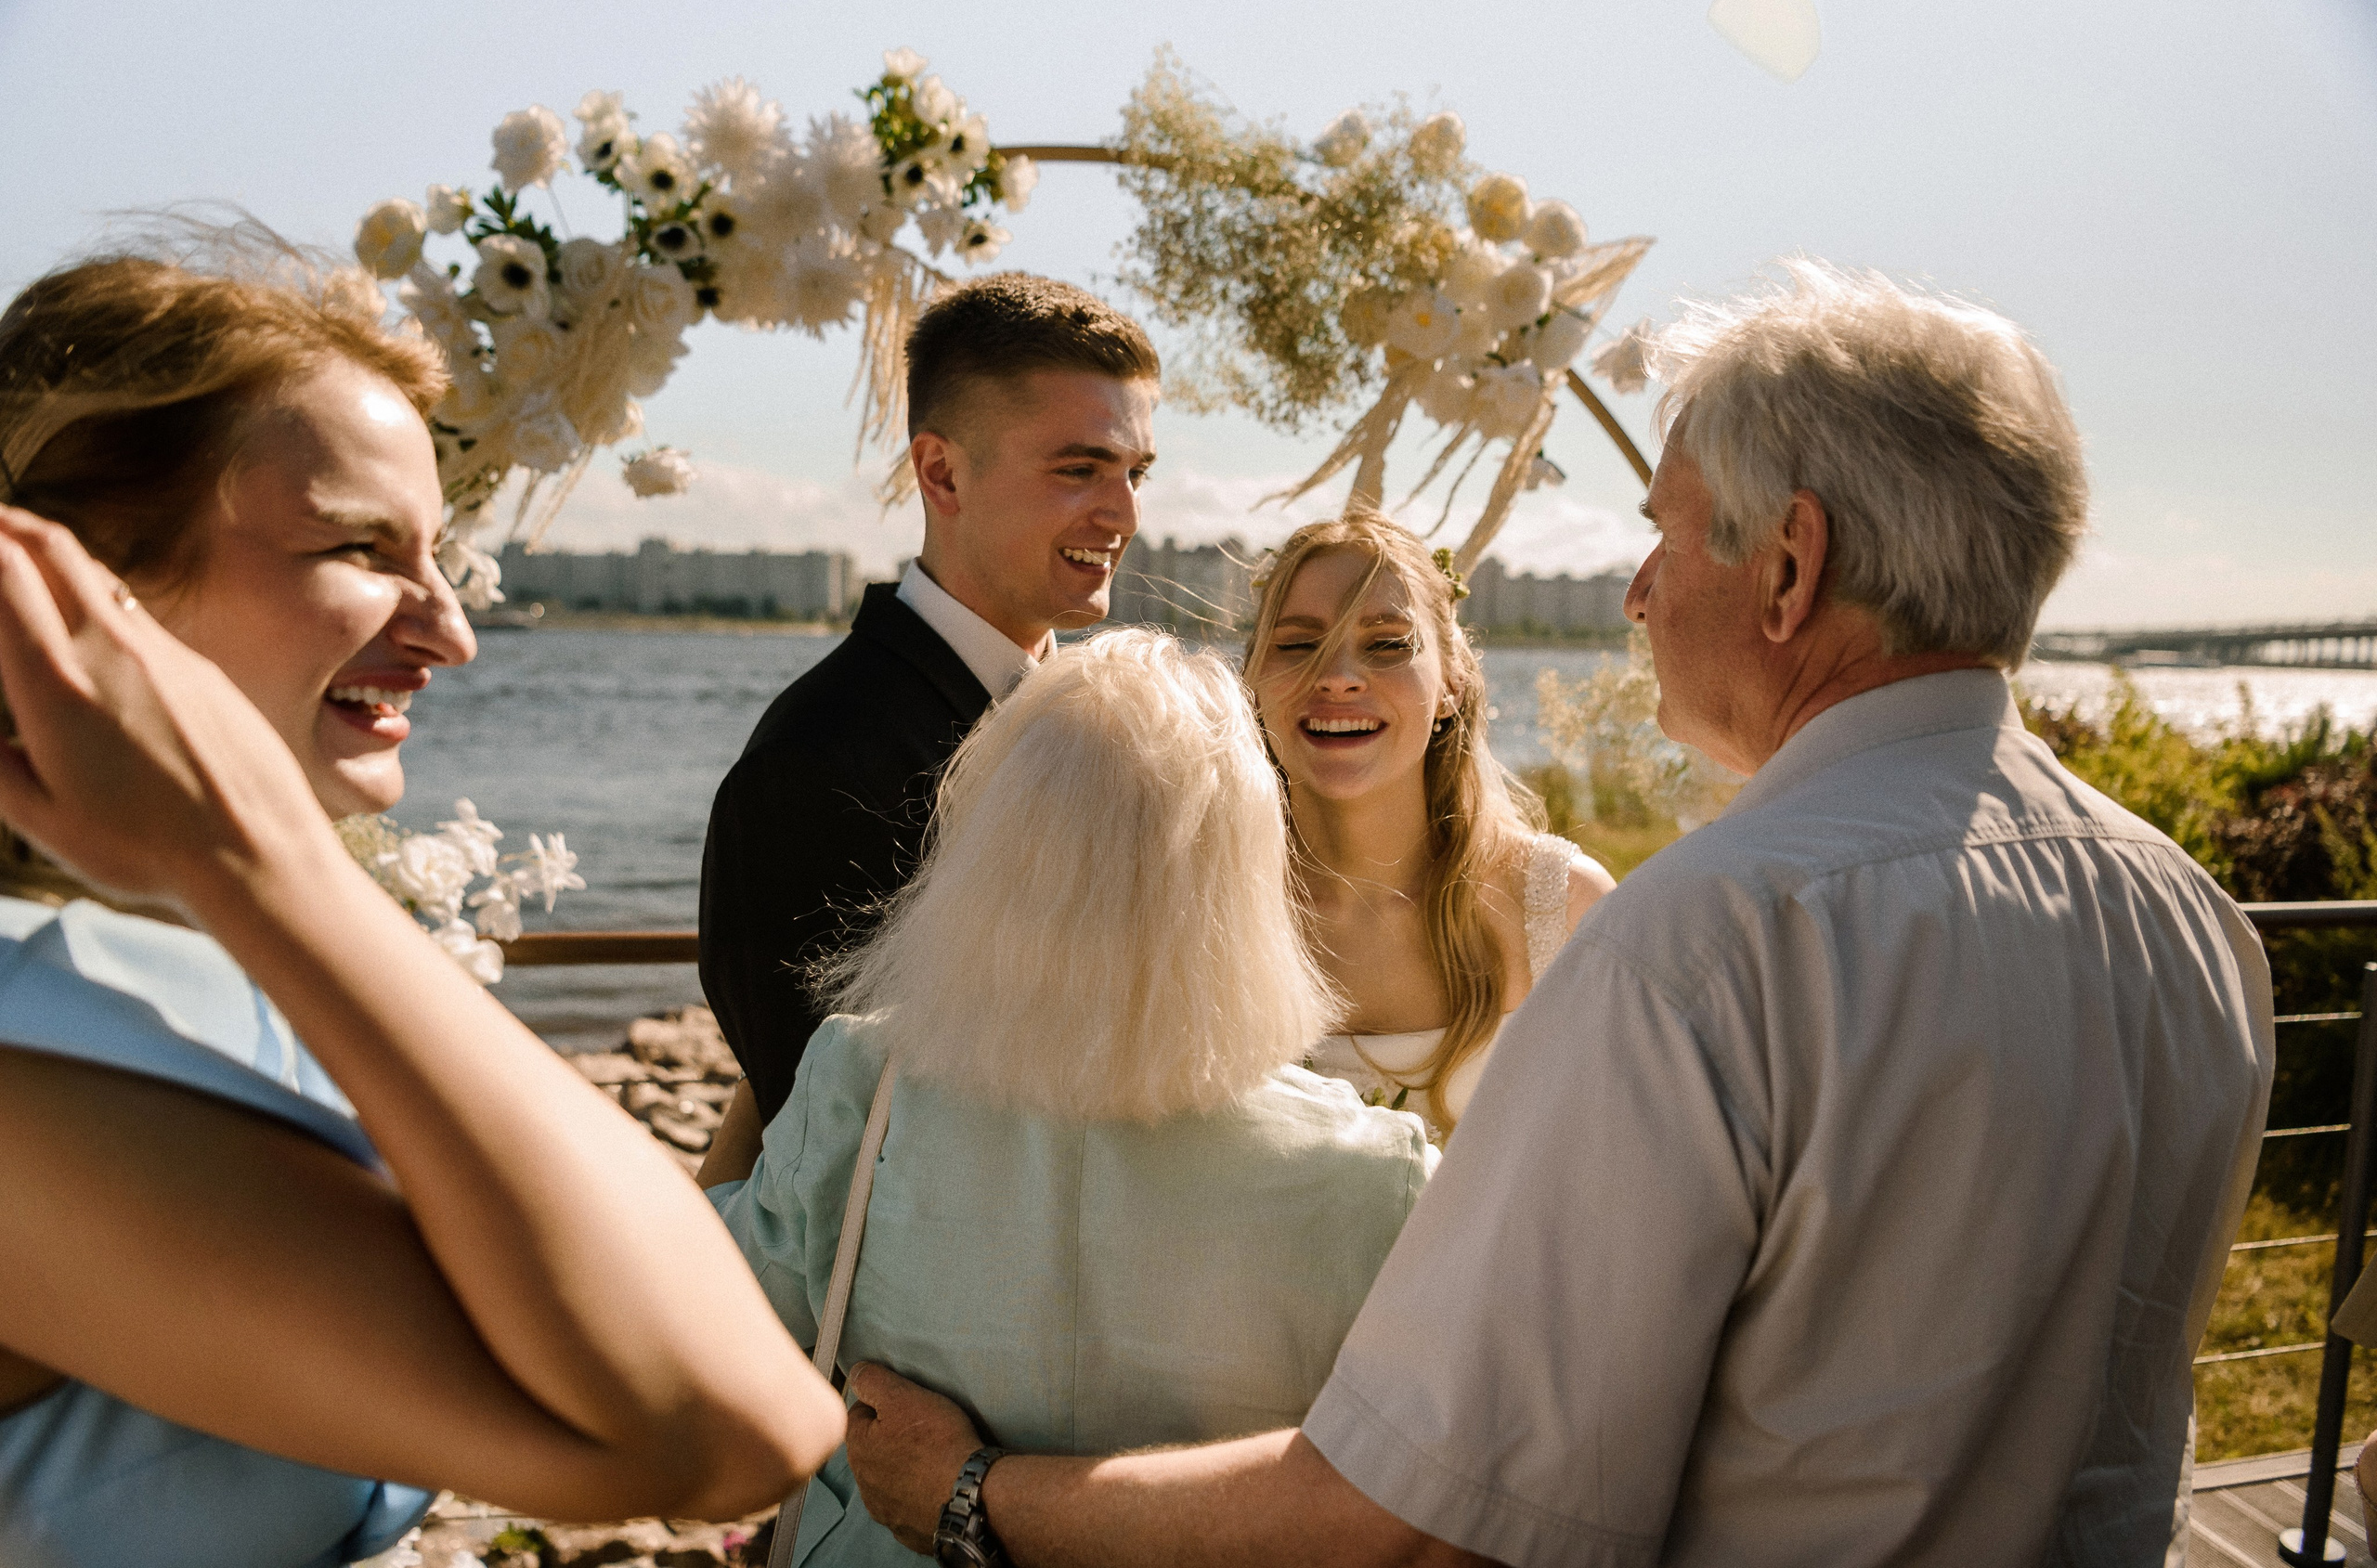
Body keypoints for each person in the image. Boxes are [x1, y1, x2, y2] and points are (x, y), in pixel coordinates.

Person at [837, 258, 2277, 1567]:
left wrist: (972, 1494)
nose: (1639, 592)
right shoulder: (2194, 925)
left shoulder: (1708, 948)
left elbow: (1418, 1516)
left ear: (1788, 570)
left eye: (1669, 536)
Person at [0, 234, 843, 1568]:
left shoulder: (155, 965)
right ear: (67, 589)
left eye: (440, 553)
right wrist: (260, 859)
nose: (450, 630)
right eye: (358, 546)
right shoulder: (24, 1057)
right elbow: (737, 1422)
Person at [703, 627, 1434, 1565]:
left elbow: (713, 1327)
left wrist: (754, 1090)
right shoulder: (1373, 1176)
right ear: (1246, 870)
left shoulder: (864, 1084)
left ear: (985, 849)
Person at [699, 273, 1159, 1136]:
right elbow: (825, 1137)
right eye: (1080, 469)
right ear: (942, 473)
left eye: (1136, 471)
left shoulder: (1111, 730)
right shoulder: (815, 768)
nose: (1124, 512)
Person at [1247, 510, 1612, 1136]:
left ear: (1451, 680)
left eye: (1387, 644)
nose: (1336, 677)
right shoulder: (1202, 902)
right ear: (1253, 680)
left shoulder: (1561, 910)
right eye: (1298, 644)